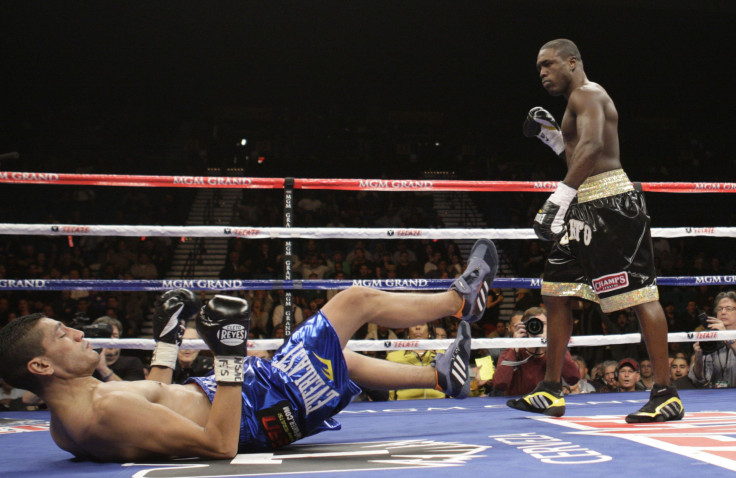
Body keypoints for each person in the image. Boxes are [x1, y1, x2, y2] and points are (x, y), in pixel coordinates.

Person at [0, 238, 498, 461]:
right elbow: (220, 447)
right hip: (256, 415)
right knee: (354, 301)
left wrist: (169, 343)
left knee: (335, 359)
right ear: (40, 364)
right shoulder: (102, 410)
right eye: (63, 334)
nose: (80, 333)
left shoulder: (68, 427)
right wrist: (231, 357)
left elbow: (153, 401)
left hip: (252, 403)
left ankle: (441, 376)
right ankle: (459, 300)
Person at [507, 39, 684, 423]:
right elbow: (578, 151)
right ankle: (552, 390)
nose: (542, 73)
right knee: (555, 291)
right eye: (539, 68)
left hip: (611, 204)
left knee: (639, 294)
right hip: (583, 207)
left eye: (549, 65)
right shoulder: (576, 103)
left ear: (572, 62)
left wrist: (556, 200)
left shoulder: (588, 94)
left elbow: (591, 147)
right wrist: (553, 137)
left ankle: (666, 393)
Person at [493, 307, 580, 397]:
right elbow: (500, 384)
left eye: (543, 324)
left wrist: (555, 345)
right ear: (524, 327)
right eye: (532, 324)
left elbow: (573, 378)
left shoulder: (555, 351)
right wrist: (514, 345)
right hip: (518, 406)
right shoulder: (512, 351)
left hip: (548, 406)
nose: (536, 327)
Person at [688, 291, 736, 388]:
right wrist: (699, 357)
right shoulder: (711, 338)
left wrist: (727, 337)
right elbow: (699, 379)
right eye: (719, 309)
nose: (723, 312)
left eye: (728, 308)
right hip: (716, 397)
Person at [386, 323, 444, 400]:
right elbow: (390, 392)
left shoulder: (443, 355)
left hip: (439, 405)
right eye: (413, 324)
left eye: (422, 324)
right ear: (407, 331)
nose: (417, 327)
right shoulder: (394, 357)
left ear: (429, 331)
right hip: (404, 406)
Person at [91, 316, 145, 382]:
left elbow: (132, 391)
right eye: (106, 336)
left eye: (115, 336)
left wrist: (103, 369)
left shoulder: (133, 363)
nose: (111, 341)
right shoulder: (86, 364)